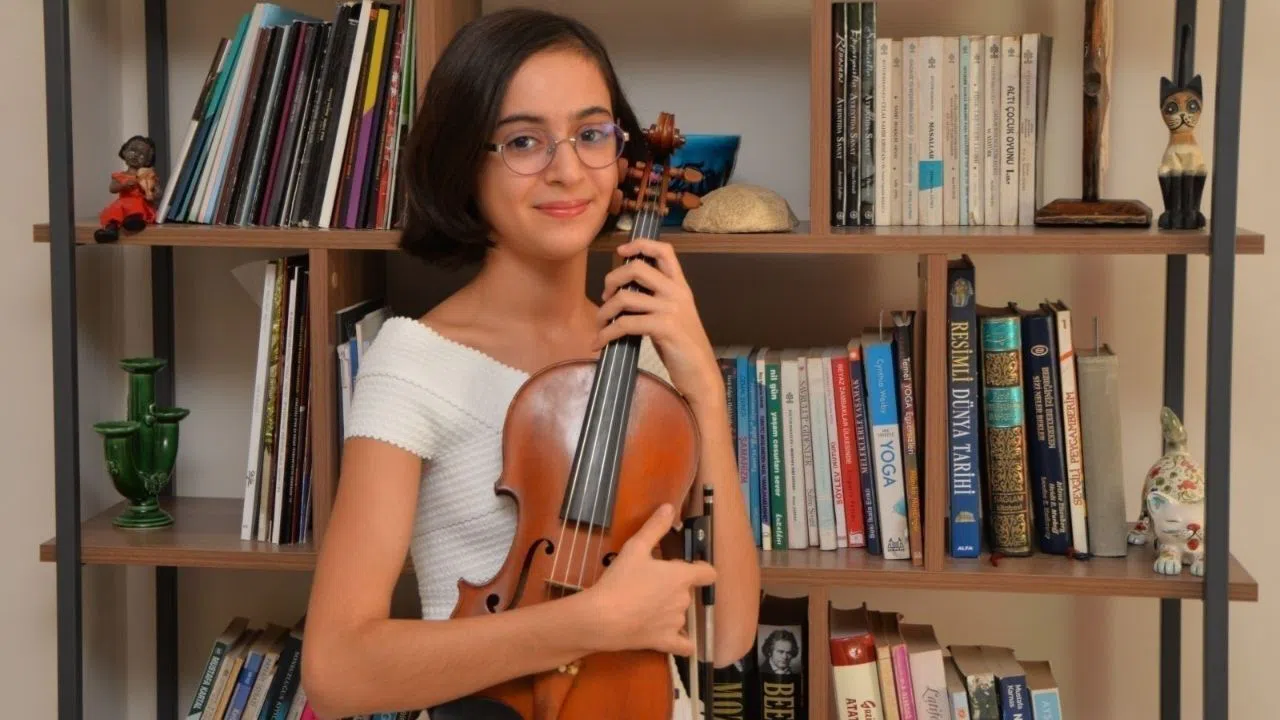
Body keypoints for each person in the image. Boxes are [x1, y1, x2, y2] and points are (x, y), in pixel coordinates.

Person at [301, 7, 761, 719]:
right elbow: (336, 673)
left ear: (623, 156)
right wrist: (587, 624)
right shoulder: (414, 360)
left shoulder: (644, 358)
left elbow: (725, 635)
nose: (567, 170)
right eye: (524, 141)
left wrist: (701, 383)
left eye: (591, 134)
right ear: (466, 164)